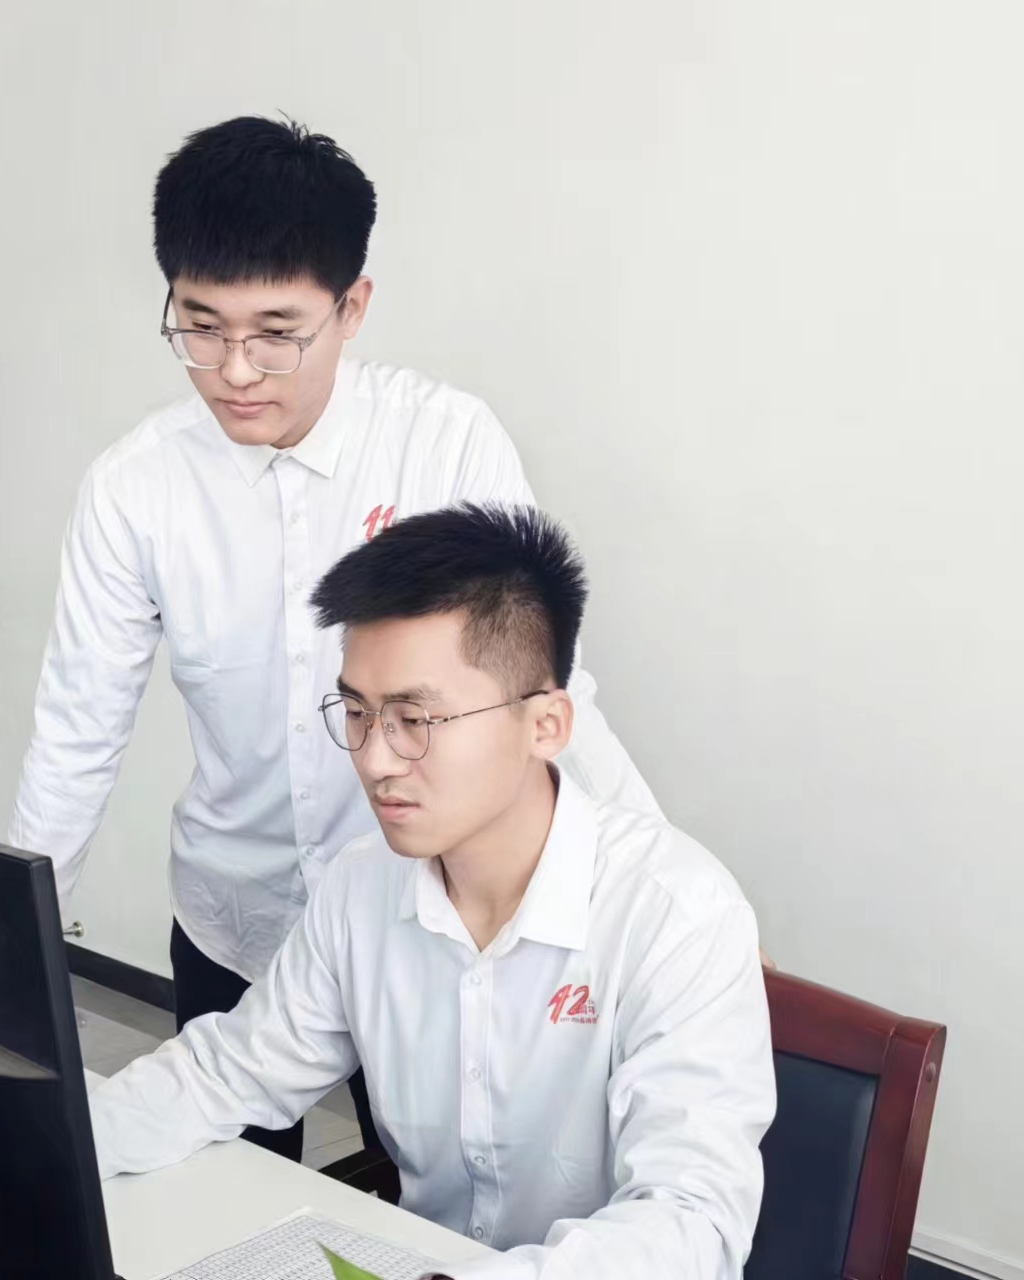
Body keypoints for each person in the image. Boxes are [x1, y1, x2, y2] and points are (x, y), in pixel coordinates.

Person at [7, 117, 664, 1161]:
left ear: (351, 307)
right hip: (233, 914)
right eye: (199, 326)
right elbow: (77, 730)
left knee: (431, 1195)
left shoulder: (442, 443)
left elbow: (549, 692)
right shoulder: (135, 488)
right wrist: (5, 948)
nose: (233, 370)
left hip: (420, 915)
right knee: (214, 1186)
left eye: (276, 332)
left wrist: (665, 896)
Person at [89, 505, 775, 1279]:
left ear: (546, 725)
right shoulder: (361, 885)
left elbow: (688, 1220)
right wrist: (49, 1142)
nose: (375, 759)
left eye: (414, 718)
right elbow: (232, 1071)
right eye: (356, 712)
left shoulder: (676, 914)